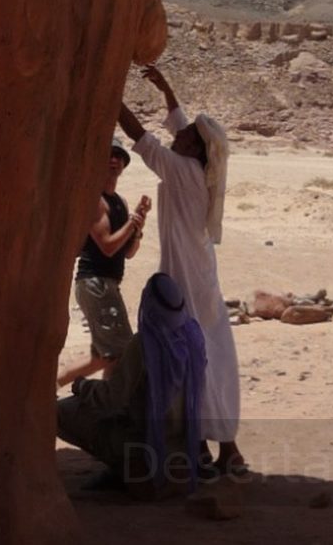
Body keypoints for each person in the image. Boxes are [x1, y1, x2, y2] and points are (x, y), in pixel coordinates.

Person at [117, 64, 245, 476]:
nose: (180, 133)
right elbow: (178, 125)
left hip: (190, 284)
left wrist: (109, 101)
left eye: (187, 136)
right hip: (197, 277)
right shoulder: (195, 167)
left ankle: (220, 450)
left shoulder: (183, 171)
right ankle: (215, 449)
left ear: (195, 149)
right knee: (206, 358)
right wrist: (166, 88)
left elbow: (142, 139)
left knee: (197, 360)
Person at [56, 272, 208, 493]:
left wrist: (82, 387)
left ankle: (125, 469)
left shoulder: (147, 344)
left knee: (59, 412)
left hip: (145, 445)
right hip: (183, 446)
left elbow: (111, 398)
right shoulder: (193, 336)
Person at [58, 144, 150, 386]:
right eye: (110, 155)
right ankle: (110, 407)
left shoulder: (120, 202)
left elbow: (128, 252)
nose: (115, 160)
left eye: (120, 157)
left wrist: (138, 229)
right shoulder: (96, 202)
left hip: (106, 284)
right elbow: (107, 246)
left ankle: (53, 384)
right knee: (122, 352)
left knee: (100, 357)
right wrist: (132, 223)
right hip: (95, 283)